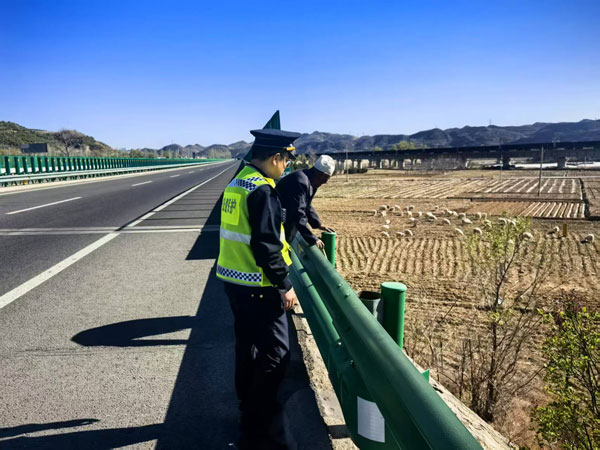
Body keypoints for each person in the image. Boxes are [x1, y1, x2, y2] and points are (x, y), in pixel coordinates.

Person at [217, 128, 300, 450]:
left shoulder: (237, 183)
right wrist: (284, 284)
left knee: (247, 346)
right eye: (287, 160)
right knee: (277, 354)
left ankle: (247, 408)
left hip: (233, 280)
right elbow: (266, 245)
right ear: (276, 157)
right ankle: (259, 422)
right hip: (258, 285)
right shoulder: (262, 190)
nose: (287, 166)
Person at [275, 155, 336, 249]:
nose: (324, 183)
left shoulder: (309, 180)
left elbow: (307, 205)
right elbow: (298, 212)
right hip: (279, 224)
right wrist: (312, 238)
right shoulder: (300, 182)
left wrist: (318, 225)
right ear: (321, 175)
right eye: (325, 179)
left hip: (286, 221)